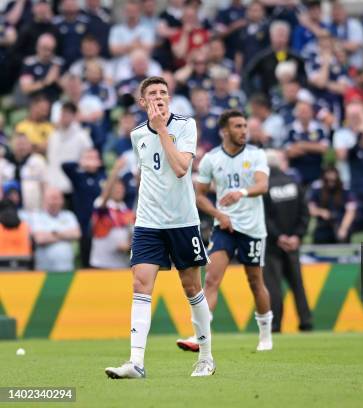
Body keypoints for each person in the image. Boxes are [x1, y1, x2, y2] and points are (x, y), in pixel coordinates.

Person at [105, 76, 214, 379]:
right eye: (152, 93)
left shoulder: (185, 125)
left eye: (163, 92)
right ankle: (135, 362)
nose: (159, 97)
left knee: (191, 286)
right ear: (142, 103)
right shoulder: (137, 133)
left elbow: (181, 169)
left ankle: (206, 357)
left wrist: (163, 129)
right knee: (140, 284)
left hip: (182, 221)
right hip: (148, 222)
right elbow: (147, 174)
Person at [176, 109, 273, 353]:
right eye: (238, 126)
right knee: (211, 278)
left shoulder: (256, 154)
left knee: (255, 281)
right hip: (224, 227)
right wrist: (219, 214)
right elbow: (199, 196)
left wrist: (241, 192)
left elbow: (262, 185)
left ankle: (265, 335)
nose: (243, 131)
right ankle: (201, 336)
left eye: (244, 126)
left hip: (252, 228)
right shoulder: (211, 159)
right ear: (224, 131)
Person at [263, 150, 312, 332]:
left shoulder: (264, 187)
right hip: (293, 244)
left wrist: (279, 237)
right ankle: (305, 322)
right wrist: (297, 236)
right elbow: (305, 213)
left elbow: (264, 217)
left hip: (273, 246)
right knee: (298, 285)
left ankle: (276, 325)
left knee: (274, 287)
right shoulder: (294, 183)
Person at [30, 187, 81, 273]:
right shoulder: (36, 216)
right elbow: (40, 239)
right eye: (52, 198)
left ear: (62, 200)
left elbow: (77, 234)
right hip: (44, 271)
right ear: (44, 200)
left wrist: (53, 234)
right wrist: (65, 235)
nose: (54, 202)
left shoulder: (69, 215)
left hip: (67, 269)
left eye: (57, 198)